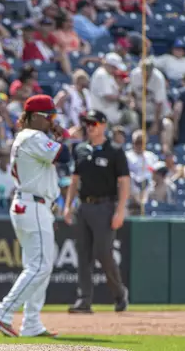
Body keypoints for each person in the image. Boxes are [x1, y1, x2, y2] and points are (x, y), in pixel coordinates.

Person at [0, 95, 66, 338]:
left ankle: (31, 322)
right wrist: (65, 134)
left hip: (32, 205)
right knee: (40, 266)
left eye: (53, 116)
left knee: (39, 265)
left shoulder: (31, 137)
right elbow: (66, 156)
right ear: (33, 117)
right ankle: (3, 312)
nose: (52, 120)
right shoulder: (32, 136)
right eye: (48, 116)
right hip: (32, 205)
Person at [63, 109, 130, 314]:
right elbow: (75, 181)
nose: (90, 127)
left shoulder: (115, 151)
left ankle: (119, 294)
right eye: (87, 123)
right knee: (83, 255)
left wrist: (120, 210)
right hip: (84, 206)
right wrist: (68, 205)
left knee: (103, 253)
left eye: (94, 123)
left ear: (103, 125)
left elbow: (125, 183)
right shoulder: (81, 149)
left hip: (105, 206)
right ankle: (84, 300)